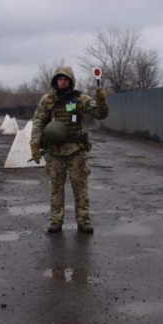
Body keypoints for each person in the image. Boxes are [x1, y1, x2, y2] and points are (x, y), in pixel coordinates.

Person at [30, 66, 108, 234]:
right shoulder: (48, 100)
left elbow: (100, 114)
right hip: (56, 151)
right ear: (55, 81)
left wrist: (101, 100)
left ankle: (83, 220)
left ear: (70, 81)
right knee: (56, 187)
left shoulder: (80, 99)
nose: (62, 81)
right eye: (59, 79)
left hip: (76, 150)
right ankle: (56, 220)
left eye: (65, 79)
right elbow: (38, 122)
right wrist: (34, 145)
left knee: (80, 186)